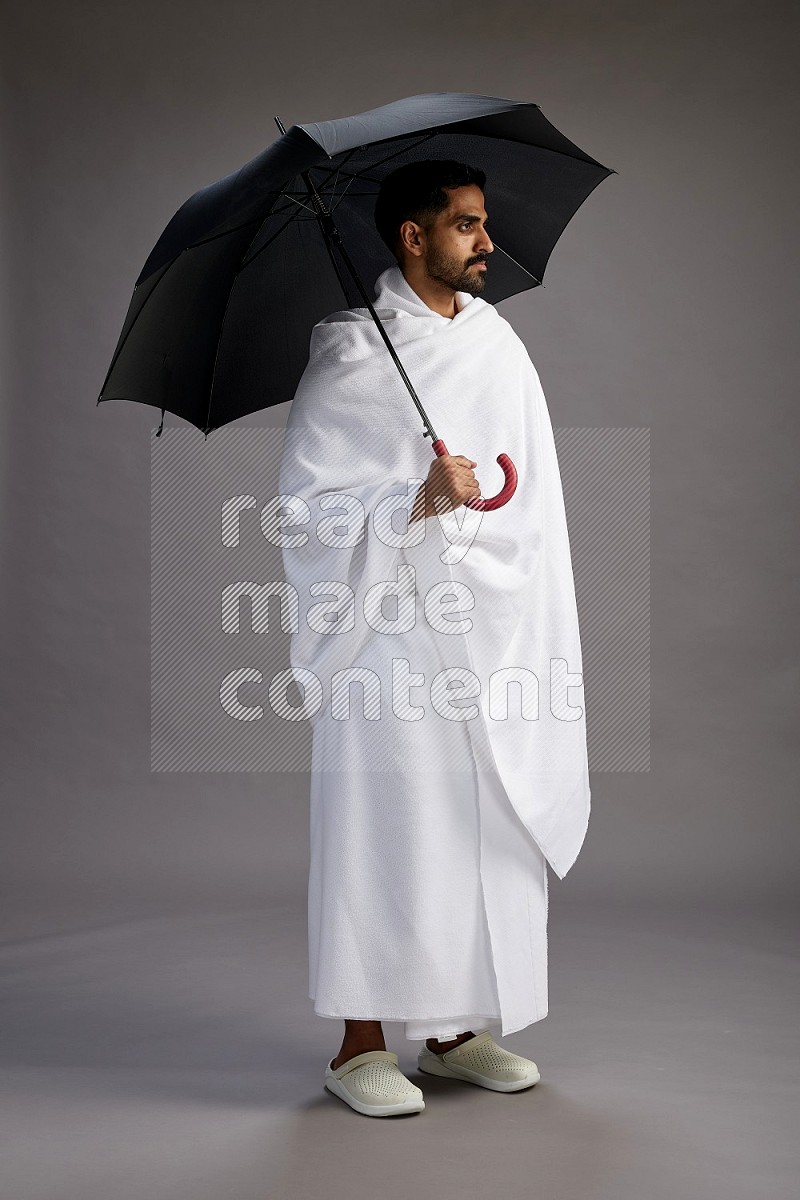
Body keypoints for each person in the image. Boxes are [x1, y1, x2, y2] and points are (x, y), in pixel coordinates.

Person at [277, 160, 590, 1117]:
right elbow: (303, 515)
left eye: (485, 223)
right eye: (464, 226)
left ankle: (454, 1031)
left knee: (472, 826)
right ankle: (359, 1045)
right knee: (389, 824)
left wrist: (479, 522)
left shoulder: (499, 349)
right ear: (412, 237)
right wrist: (412, 498)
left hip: (486, 629)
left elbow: (534, 500)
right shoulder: (350, 356)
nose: (485, 242)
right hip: (386, 640)